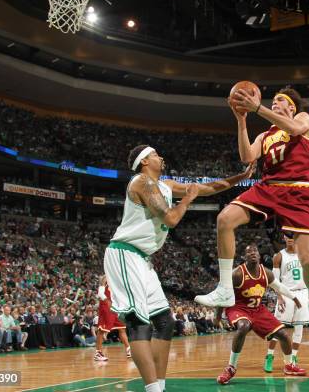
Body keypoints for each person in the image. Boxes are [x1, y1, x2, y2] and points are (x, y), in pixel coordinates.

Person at [104, 145, 254, 392]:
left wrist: (241, 178)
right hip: (125, 253)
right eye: (154, 155)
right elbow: (171, 219)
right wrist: (187, 199)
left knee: (165, 322)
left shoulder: (166, 184)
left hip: (143, 259)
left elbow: (209, 188)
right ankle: (152, 389)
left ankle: (159, 386)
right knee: (138, 322)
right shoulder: (141, 182)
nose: (160, 157)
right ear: (143, 162)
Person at [195, 87, 309, 342]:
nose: (274, 102)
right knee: (224, 219)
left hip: (297, 190)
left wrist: (257, 108)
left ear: (291, 107)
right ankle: (224, 289)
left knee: (307, 257)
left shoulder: (302, 119)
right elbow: (247, 156)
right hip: (268, 188)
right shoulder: (265, 135)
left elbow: (295, 130)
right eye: (273, 100)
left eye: (280, 100)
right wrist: (241, 120)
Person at [215, 244, 307, 385]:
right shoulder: (237, 274)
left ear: (259, 255)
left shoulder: (266, 273)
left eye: (255, 251)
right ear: (244, 257)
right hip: (238, 307)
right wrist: (217, 317)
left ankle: (289, 366)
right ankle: (231, 368)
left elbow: (279, 287)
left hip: (257, 309)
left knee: (283, 335)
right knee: (244, 326)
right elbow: (222, 294)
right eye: (249, 252)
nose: (253, 253)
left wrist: (293, 297)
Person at [264, 233, 309, 372]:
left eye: (293, 236)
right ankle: (269, 356)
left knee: (299, 328)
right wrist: (279, 296)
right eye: (288, 236)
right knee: (277, 329)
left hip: (302, 292)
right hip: (286, 293)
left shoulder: (304, 253)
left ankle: (292, 359)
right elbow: (275, 280)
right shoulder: (279, 256)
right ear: (284, 238)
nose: (290, 238)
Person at [94, 276, 130, 361]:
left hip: (115, 306)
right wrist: (107, 301)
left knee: (122, 328)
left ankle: (129, 349)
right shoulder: (105, 277)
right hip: (106, 306)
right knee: (102, 330)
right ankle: (98, 353)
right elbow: (100, 293)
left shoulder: (117, 276)